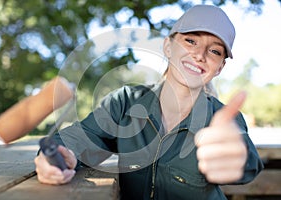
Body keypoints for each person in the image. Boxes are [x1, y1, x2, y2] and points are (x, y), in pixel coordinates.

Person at [34, 4, 263, 200]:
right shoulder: (125, 102)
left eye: (214, 51)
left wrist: (237, 159)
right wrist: (56, 157)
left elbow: (247, 161)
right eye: (190, 41)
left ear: (220, 67)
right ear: (167, 47)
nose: (200, 54)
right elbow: (78, 139)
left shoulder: (223, 119)